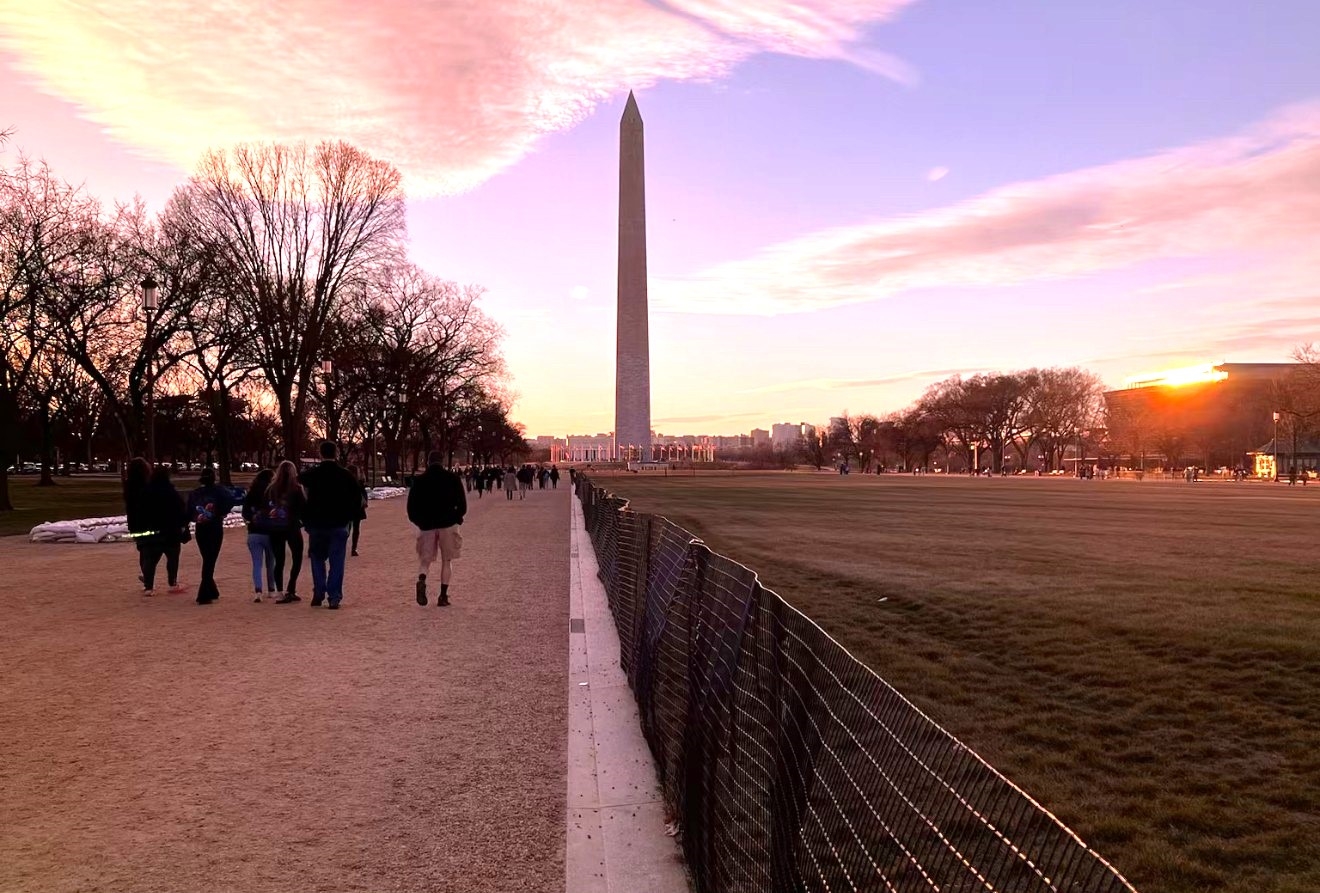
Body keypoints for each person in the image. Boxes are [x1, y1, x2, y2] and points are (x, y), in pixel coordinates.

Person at [300, 440, 361, 609]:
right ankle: (334, 596)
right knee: (337, 561)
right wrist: (348, 517)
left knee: (317, 559)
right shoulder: (345, 475)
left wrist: (306, 518)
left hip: (317, 523)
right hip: (338, 523)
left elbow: (301, 491)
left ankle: (318, 591)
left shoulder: (312, 475)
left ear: (320, 454)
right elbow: (357, 500)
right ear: (336, 454)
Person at [407, 450, 467, 607]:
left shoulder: (420, 481)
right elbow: (462, 505)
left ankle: (422, 579)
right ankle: (443, 595)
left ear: (428, 461)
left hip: (427, 524)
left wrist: (419, 521)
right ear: (442, 461)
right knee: (447, 560)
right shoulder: (452, 479)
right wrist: (456, 517)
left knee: (425, 559)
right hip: (447, 522)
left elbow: (411, 508)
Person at [125, 458, 187, 596]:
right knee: (172, 558)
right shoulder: (171, 492)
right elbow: (181, 509)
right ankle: (172, 583)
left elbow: (140, 511)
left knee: (149, 558)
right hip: (171, 532)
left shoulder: (144, 492)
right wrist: (183, 524)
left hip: (152, 531)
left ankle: (149, 586)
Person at [187, 466, 236, 604]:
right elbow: (230, 501)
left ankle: (211, 589)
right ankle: (204, 593)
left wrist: (196, 518)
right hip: (214, 528)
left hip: (201, 529)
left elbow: (189, 511)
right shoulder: (220, 491)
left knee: (207, 558)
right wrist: (219, 512)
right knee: (210, 559)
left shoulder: (195, 494)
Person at [265, 460, 307, 604]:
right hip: (292, 527)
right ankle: (291, 588)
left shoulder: (271, 489)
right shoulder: (297, 489)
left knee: (279, 560)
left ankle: (280, 591)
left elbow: (265, 508)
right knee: (297, 557)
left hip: (275, 528)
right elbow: (303, 509)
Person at [242, 468, 277, 602]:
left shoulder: (251, 494)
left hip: (254, 532)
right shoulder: (272, 493)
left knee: (257, 564)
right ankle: (271, 589)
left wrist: (252, 518)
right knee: (271, 562)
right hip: (270, 532)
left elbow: (245, 514)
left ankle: (258, 590)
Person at [349, 464, 368, 556]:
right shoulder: (359, 483)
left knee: (347, 528)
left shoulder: (345, 482)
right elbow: (364, 495)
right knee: (356, 529)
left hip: (347, 508)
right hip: (357, 509)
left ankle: (344, 545)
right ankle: (354, 548)